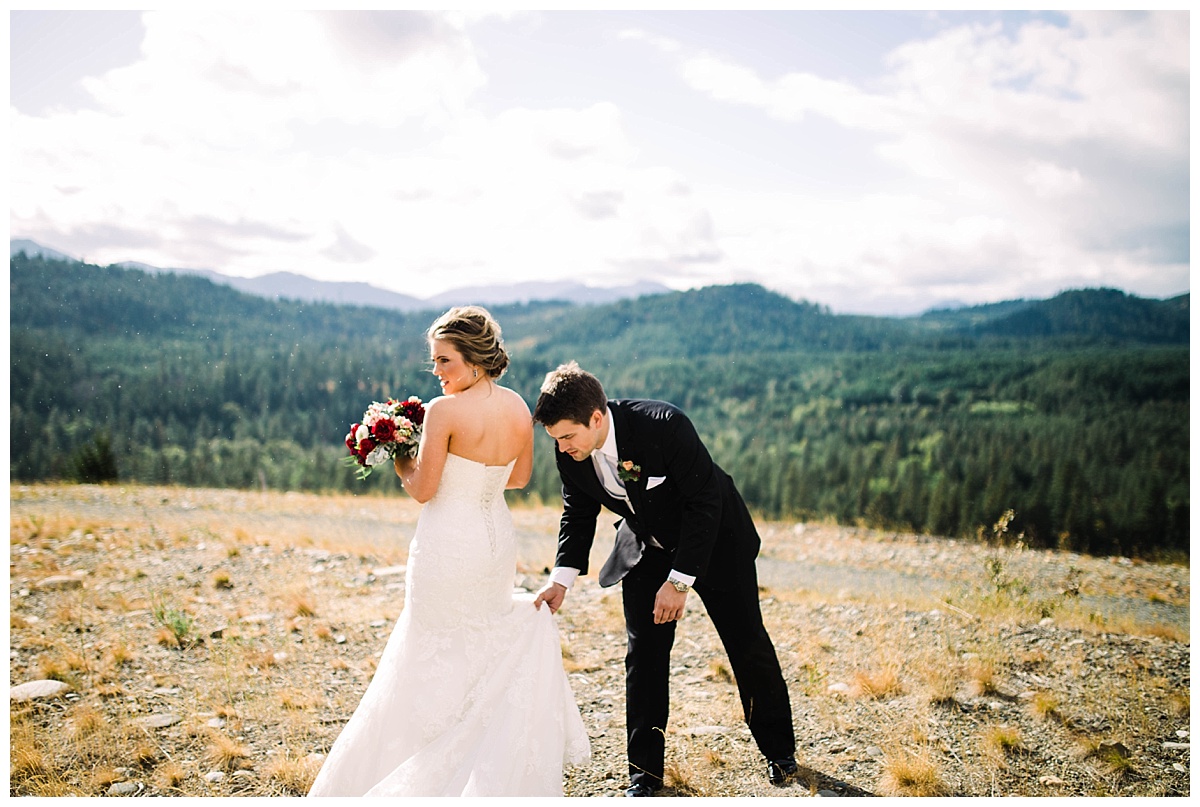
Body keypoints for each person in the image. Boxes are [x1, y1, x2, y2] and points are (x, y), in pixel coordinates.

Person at [308, 307, 589, 797]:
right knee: (480, 637)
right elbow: (519, 480)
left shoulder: (445, 412)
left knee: (429, 643)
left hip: (449, 542)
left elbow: (423, 489)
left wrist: (399, 453)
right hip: (495, 540)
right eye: (433, 361)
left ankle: (419, 767)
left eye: (445, 361)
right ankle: (474, 761)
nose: (436, 372)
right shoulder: (519, 407)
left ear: (475, 361)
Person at [531, 362, 797, 796]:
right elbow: (578, 512)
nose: (561, 449)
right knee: (644, 660)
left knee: (746, 644)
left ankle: (780, 754)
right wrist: (561, 579)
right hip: (646, 549)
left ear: (596, 419)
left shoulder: (664, 425)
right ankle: (645, 777)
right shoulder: (571, 450)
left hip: (714, 542)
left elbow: (705, 501)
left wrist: (679, 582)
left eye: (567, 437)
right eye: (555, 439)